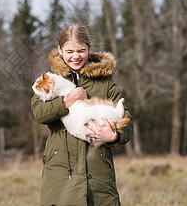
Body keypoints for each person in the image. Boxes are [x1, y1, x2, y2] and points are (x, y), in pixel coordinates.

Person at [31, 23, 133, 206]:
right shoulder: (50, 81)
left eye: (81, 50)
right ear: (60, 50)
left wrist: (114, 136)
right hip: (60, 171)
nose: (75, 56)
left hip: (98, 173)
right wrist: (66, 101)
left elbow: (128, 124)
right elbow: (39, 113)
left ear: (89, 49)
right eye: (69, 51)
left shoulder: (105, 83)